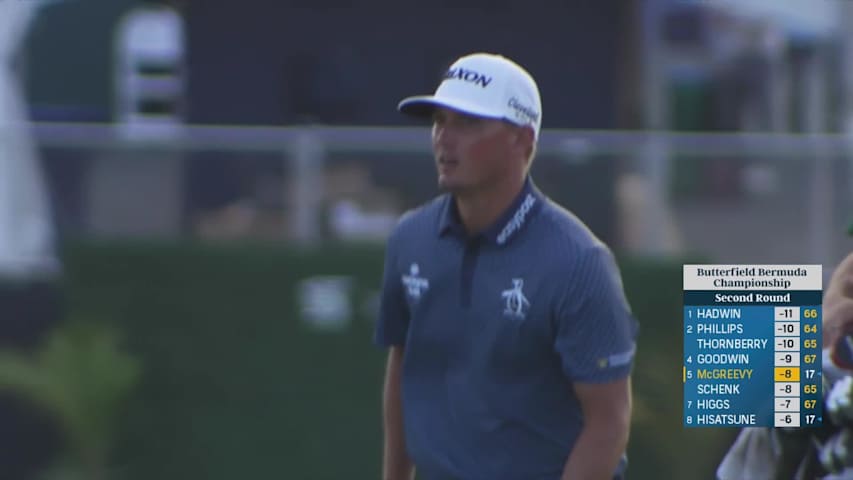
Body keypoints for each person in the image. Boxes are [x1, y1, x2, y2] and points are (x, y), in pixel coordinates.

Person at [374, 52, 639, 480]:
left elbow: (609, 423)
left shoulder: (579, 262)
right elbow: (404, 367)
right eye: (440, 121)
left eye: (468, 123)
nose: (445, 139)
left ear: (523, 140)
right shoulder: (411, 238)